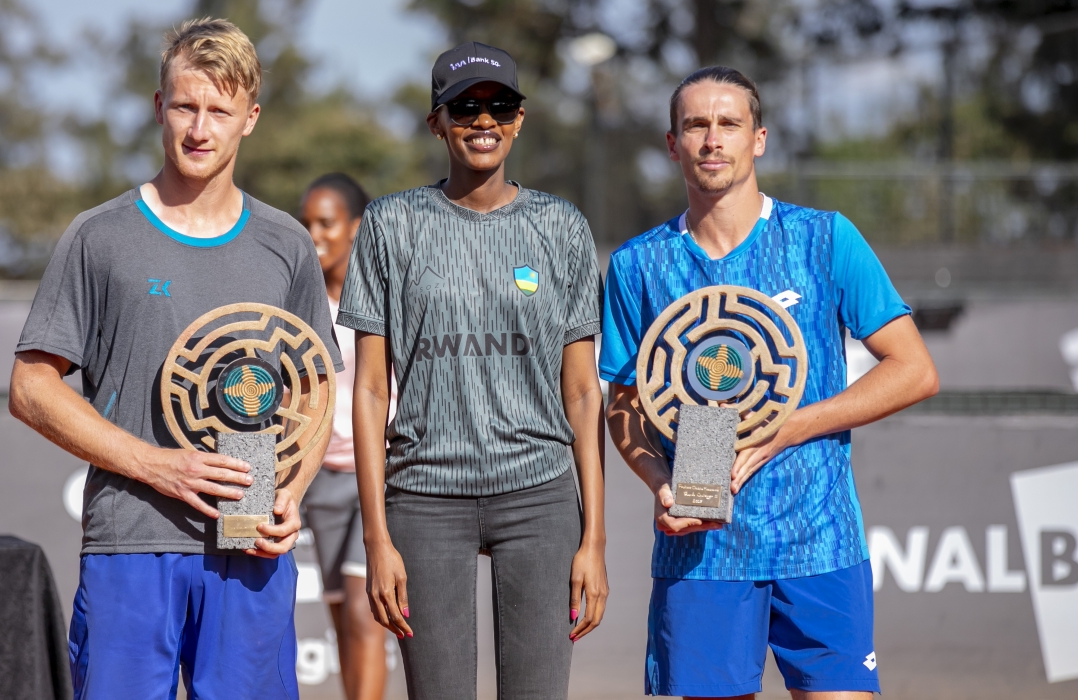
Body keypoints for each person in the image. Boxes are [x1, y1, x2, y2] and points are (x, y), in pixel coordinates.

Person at [9, 18, 341, 699]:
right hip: (131, 542)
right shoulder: (99, 236)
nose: (199, 128)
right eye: (186, 105)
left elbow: (314, 388)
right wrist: (158, 465)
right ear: (159, 105)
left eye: (219, 111)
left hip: (250, 548)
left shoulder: (286, 242)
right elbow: (31, 388)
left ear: (249, 119)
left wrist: (292, 492)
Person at [600, 66, 939, 700]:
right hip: (702, 549)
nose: (712, 139)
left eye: (729, 123)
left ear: (758, 138)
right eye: (695, 125)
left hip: (819, 539)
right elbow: (623, 402)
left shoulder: (824, 238)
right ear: (672, 144)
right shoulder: (637, 264)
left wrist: (790, 428)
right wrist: (659, 481)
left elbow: (915, 370)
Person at [338, 42, 609, 700]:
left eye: (500, 105)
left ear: (520, 119)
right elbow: (372, 392)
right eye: (465, 107)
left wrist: (593, 539)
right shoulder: (389, 224)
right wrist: (376, 538)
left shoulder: (561, 226)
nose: (483, 120)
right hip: (425, 500)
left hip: (540, 498)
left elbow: (581, 393)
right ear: (436, 122)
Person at [299, 173, 393, 700]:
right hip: (319, 478)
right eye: (307, 222)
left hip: (379, 474)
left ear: (355, 228)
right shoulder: (298, 306)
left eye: (326, 223)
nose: (315, 235)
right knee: (343, 619)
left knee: (364, 609)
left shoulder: (385, 298)